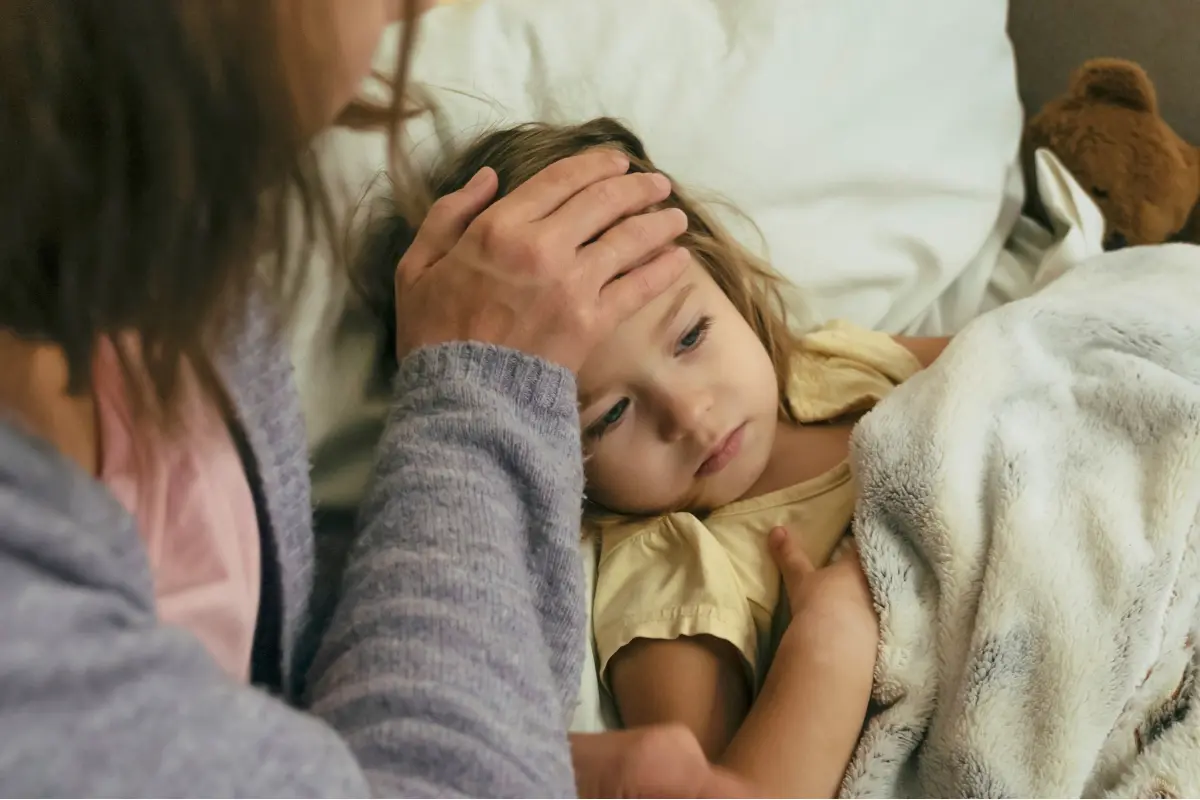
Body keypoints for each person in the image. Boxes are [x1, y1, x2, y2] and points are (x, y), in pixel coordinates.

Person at [0, 1, 753, 795]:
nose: (422, 7)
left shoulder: (162, 239)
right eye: (608, 414)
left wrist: (519, 752)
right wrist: (483, 387)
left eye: (692, 335)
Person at [357, 117, 953, 797]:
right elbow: (721, 788)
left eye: (691, 334)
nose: (688, 415)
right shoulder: (670, 565)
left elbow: (1027, 363)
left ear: (720, 273)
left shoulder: (832, 364)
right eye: (610, 415)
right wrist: (828, 640)